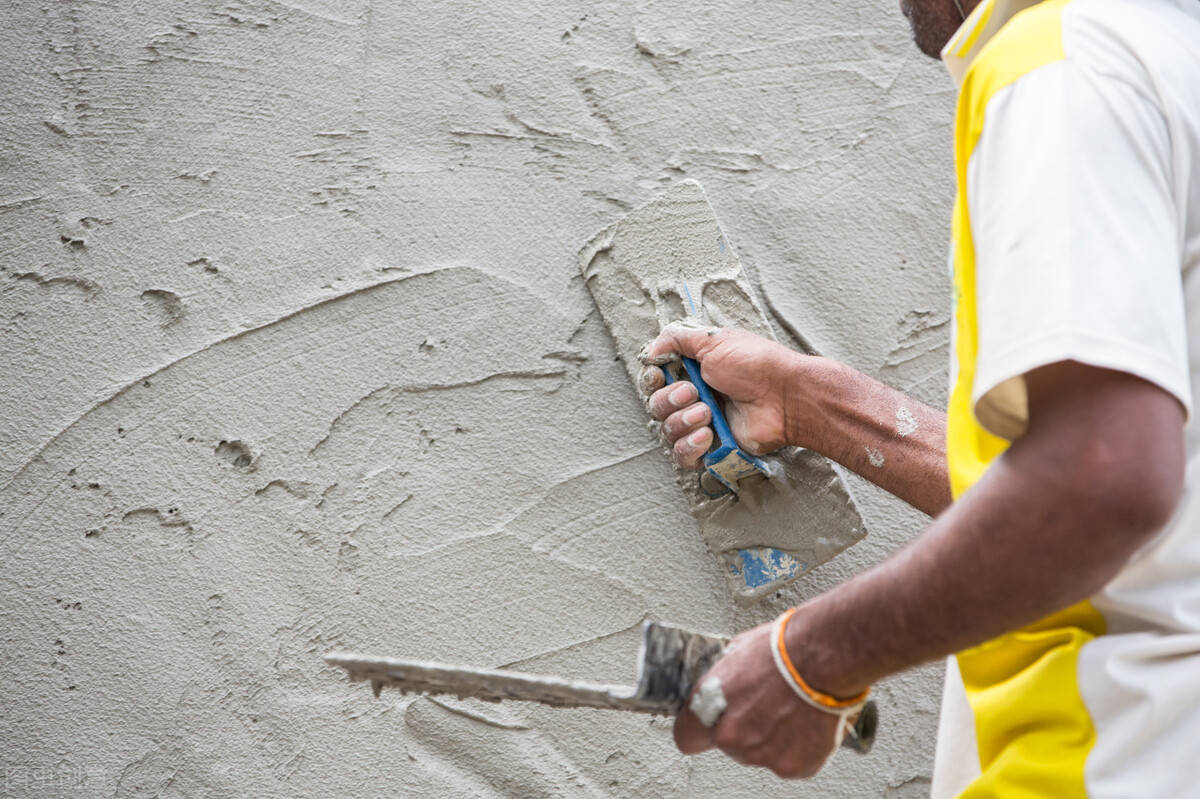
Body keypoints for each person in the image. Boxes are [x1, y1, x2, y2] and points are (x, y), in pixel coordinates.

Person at [641, 0, 1200, 794]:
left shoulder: (1062, 64)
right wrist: (815, 405)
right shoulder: (1171, 63)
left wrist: (811, 657)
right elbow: (1139, 499)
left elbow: (1101, 483)